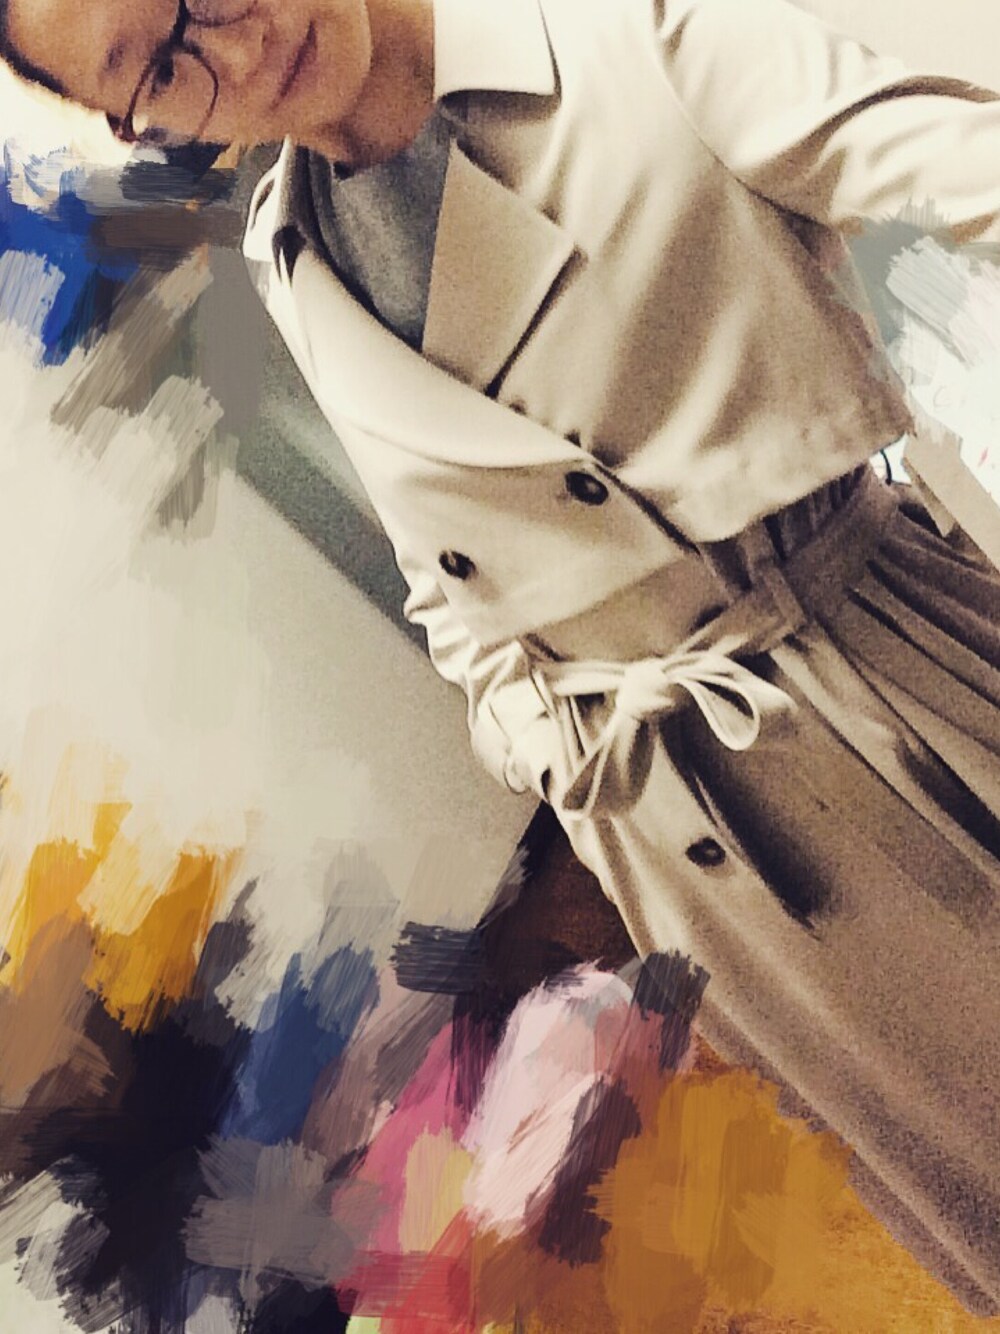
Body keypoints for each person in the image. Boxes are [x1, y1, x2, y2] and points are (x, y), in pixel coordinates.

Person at [4, 0, 1000, 1311]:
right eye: (160, 65)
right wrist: (554, 758)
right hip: (683, 844)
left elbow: (956, 159)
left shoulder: (597, 28)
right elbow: (447, 585)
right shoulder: (291, 249)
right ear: (138, 125)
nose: (233, 52)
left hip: (879, 679)